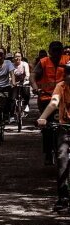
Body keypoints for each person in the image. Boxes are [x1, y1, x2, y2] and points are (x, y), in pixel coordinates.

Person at [37, 62, 70, 211]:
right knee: (62, 156)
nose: (68, 76)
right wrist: (42, 118)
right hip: (65, 127)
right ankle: (63, 197)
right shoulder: (61, 86)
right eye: (67, 72)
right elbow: (54, 102)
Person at [32, 41, 70, 165]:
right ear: (50, 51)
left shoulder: (67, 60)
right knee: (47, 128)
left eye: (59, 50)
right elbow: (33, 75)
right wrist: (35, 87)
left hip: (64, 99)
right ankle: (48, 153)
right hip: (46, 99)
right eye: (54, 50)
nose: (56, 53)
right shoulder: (43, 62)